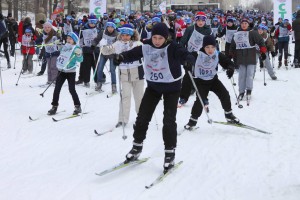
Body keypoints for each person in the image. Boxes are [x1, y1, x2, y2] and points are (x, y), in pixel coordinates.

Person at [113, 23, 195, 172]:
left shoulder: (172, 47)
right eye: (155, 37)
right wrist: (121, 57)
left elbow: (184, 54)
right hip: (154, 87)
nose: (157, 41)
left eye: (160, 38)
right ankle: (137, 147)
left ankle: (169, 153)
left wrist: (189, 60)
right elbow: (133, 53)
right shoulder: (146, 46)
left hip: (172, 87)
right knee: (142, 117)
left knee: (168, 121)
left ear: (166, 37)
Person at [184, 35, 238, 130]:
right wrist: (187, 63)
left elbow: (227, 61)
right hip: (201, 81)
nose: (210, 50)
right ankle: (192, 121)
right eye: (207, 47)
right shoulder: (197, 54)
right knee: (200, 101)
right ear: (203, 47)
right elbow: (187, 57)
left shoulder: (217, 54)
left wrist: (230, 67)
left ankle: (229, 115)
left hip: (213, 80)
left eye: (212, 47)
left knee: (224, 94)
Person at [101, 24, 144, 128]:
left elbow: (144, 52)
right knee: (125, 96)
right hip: (124, 74)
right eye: (123, 35)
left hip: (137, 73)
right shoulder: (117, 44)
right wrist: (103, 45)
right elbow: (106, 51)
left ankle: (141, 119)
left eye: (127, 35)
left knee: (139, 98)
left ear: (131, 35)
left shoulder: (137, 44)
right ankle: (122, 119)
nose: (125, 37)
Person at [178, 11, 212, 106]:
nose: (200, 22)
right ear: (195, 20)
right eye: (199, 20)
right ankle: (183, 97)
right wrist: (183, 54)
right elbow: (182, 42)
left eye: (202, 20)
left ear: (205, 21)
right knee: (188, 76)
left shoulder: (208, 31)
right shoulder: (190, 29)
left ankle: (203, 97)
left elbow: (211, 44)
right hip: (189, 55)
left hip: (202, 56)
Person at [229, 18, 267, 100]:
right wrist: (230, 54)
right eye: (242, 23)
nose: (244, 25)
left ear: (248, 24)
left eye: (246, 23)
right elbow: (232, 45)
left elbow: (260, 41)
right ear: (240, 24)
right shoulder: (237, 34)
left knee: (250, 74)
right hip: (241, 57)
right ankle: (241, 91)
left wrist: (263, 51)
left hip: (251, 56)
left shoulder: (252, 33)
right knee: (242, 75)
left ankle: (249, 90)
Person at [48, 32, 83, 115]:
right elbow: (58, 49)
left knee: (71, 89)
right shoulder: (65, 46)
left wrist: (78, 54)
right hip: (62, 71)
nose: (68, 40)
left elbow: (80, 60)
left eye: (70, 39)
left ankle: (77, 106)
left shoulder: (76, 48)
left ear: (74, 40)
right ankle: (54, 106)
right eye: (67, 38)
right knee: (57, 88)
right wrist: (56, 44)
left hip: (71, 72)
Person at [92, 21, 118, 92]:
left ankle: (114, 86)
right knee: (99, 69)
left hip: (112, 54)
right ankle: (99, 84)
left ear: (114, 28)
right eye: (109, 27)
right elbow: (97, 39)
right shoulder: (103, 32)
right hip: (103, 53)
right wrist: (93, 44)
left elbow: (118, 44)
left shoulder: (117, 34)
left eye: (112, 27)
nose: (110, 29)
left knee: (112, 70)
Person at [75, 16, 100, 87]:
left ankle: (97, 80)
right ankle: (86, 81)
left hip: (95, 50)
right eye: (90, 22)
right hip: (86, 50)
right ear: (88, 22)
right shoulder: (83, 29)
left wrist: (100, 45)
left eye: (94, 22)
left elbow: (100, 39)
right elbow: (80, 39)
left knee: (96, 65)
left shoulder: (98, 29)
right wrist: (80, 46)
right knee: (86, 66)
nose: (92, 23)